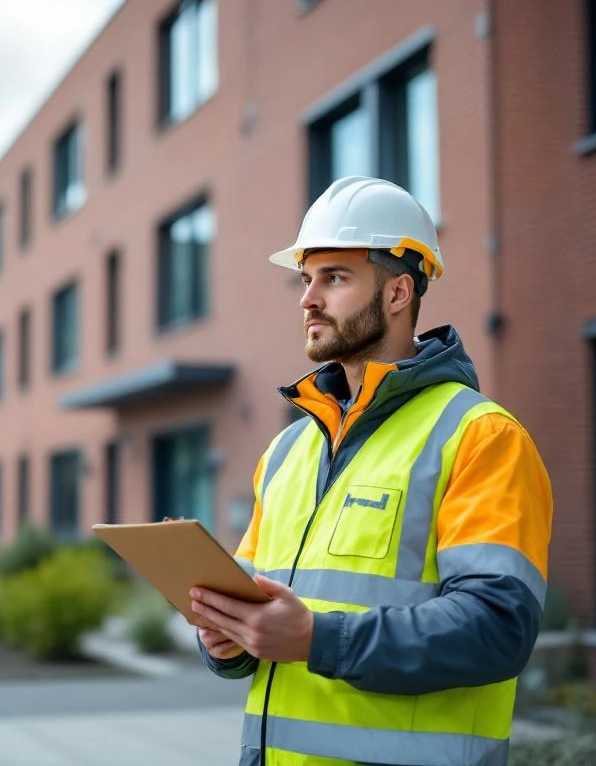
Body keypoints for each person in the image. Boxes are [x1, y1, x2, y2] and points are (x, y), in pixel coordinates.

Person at [191, 176, 553, 766]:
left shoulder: (481, 437)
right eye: (306, 279)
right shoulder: (287, 452)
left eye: (333, 278)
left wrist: (316, 639)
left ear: (398, 293)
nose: (308, 298)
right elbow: (256, 618)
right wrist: (225, 637)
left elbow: (498, 627)